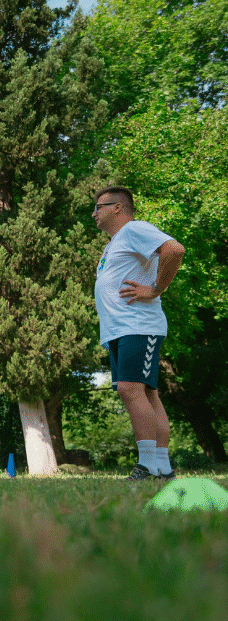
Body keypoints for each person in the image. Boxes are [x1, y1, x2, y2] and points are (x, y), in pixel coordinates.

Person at [92, 186, 185, 480]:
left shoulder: (135, 229)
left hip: (138, 325)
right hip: (121, 329)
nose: (94, 214)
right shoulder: (116, 242)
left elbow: (174, 249)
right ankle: (162, 467)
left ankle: (146, 466)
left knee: (129, 389)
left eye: (98, 207)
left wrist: (157, 288)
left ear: (117, 208)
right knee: (146, 393)